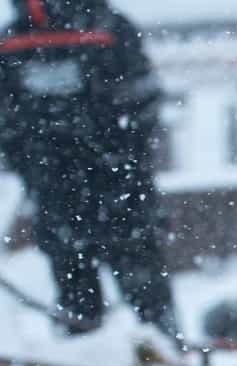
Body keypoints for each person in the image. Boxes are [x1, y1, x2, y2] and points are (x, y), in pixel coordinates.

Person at [0, 0, 177, 338]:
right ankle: (148, 361)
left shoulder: (103, 28)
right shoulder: (16, 41)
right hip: (88, 195)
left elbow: (142, 102)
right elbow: (142, 102)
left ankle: (162, 362)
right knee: (108, 302)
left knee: (130, 300)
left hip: (103, 193)